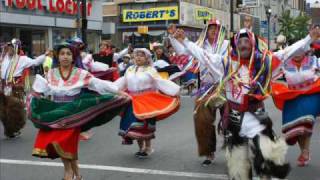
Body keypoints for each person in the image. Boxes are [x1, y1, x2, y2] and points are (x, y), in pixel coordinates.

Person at [171, 26, 320, 179]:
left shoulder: (264, 62)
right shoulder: (225, 64)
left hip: (257, 115)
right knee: (238, 166)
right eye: (240, 41)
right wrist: (185, 41)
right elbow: (202, 54)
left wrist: (309, 38)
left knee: (268, 159)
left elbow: (287, 53)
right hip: (234, 118)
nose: (243, 44)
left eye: (246, 41)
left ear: (253, 44)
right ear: (235, 45)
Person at [28, 42, 130, 180]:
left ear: (73, 57)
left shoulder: (81, 73)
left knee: (64, 143)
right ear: (57, 56)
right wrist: (33, 99)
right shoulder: (51, 73)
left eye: (68, 54)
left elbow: (98, 84)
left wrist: (118, 91)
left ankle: (68, 173)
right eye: (62, 54)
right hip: (56, 112)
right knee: (66, 146)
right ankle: (77, 175)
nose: (65, 57)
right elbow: (41, 90)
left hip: (74, 112)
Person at [168, 19, 228, 166]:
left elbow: (216, 61)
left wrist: (187, 42)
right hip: (206, 87)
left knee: (230, 121)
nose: (214, 31)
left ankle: (233, 150)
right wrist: (173, 36)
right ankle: (209, 152)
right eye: (211, 28)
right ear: (206, 30)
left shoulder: (227, 45)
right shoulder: (200, 44)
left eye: (217, 28)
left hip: (225, 87)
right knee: (201, 120)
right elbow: (183, 50)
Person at [115, 48, 180, 158]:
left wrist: (174, 90)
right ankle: (140, 148)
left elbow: (160, 82)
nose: (138, 57)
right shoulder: (130, 69)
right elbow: (123, 82)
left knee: (145, 124)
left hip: (147, 100)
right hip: (132, 100)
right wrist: (111, 89)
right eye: (136, 55)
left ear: (147, 58)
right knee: (134, 125)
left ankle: (148, 147)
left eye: (141, 55)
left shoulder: (151, 70)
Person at [272, 44, 320, 166]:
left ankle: (305, 151)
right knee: (294, 128)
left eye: (300, 50)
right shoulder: (285, 64)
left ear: (305, 50)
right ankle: (304, 151)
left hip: (312, 94)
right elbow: (270, 74)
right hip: (292, 97)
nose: (297, 53)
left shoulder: (313, 60)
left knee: (307, 120)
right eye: (295, 50)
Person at [0, 39, 48, 138]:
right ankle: (9, 129)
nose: (9, 49)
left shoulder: (22, 59)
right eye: (8, 47)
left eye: (11, 47)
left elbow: (35, 62)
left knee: (14, 110)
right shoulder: (3, 58)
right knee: (4, 111)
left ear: (16, 48)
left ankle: (14, 129)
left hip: (15, 88)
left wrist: (45, 55)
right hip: (4, 88)